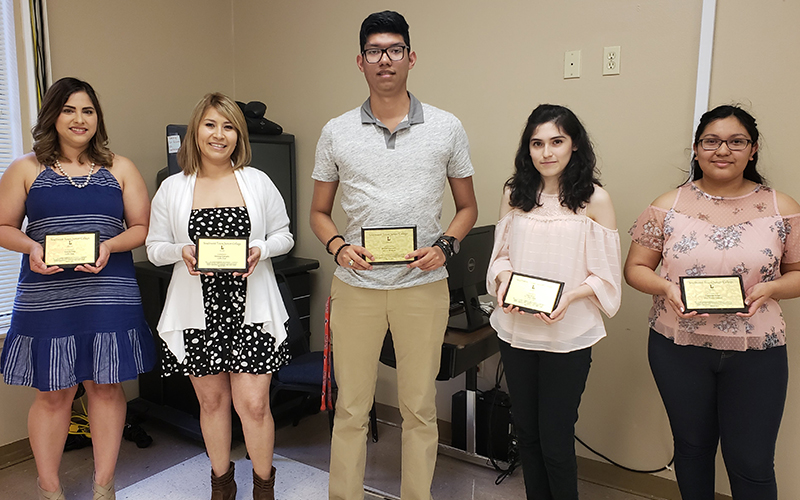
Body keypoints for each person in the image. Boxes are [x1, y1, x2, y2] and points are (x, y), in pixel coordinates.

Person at [310, 10, 478, 500]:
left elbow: (467, 207)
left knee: (420, 409)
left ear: (411, 57)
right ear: (360, 61)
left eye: (394, 50)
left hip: (421, 287)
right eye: (374, 51)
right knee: (351, 408)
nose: (385, 59)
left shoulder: (446, 127)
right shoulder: (336, 131)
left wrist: (444, 247)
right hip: (357, 288)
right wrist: (339, 247)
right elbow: (319, 213)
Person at [625, 105, 800, 499]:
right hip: (677, 347)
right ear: (696, 148)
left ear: (753, 149)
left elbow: (798, 274)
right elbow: (635, 268)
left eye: (736, 142)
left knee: (752, 462)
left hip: (757, 351)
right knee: (692, 449)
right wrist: (666, 289)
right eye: (711, 141)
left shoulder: (782, 208)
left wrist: (771, 289)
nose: (723, 150)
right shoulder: (666, 206)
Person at [0, 77, 155, 500]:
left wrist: (109, 246)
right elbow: (4, 226)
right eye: (69, 110)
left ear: (97, 118)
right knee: (53, 392)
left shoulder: (120, 168)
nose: (79, 119)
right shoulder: (25, 168)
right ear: (53, 115)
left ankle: (104, 485)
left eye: (88, 110)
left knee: (106, 386)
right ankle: (49, 487)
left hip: (109, 292)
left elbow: (141, 227)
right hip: (46, 296)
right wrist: (32, 247)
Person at [146, 93, 293, 500]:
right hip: (198, 311)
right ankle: (222, 485)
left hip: (251, 309)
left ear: (238, 135)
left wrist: (261, 248)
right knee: (212, 404)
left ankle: (264, 488)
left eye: (229, 127)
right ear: (196, 131)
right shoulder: (173, 188)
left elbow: (284, 235)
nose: (219, 134)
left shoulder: (257, 181)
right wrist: (181, 251)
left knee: (254, 405)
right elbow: (154, 247)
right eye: (210, 125)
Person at [486, 104, 621, 500]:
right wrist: (505, 282)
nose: (546, 152)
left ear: (574, 145)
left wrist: (570, 296)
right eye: (537, 143)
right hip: (517, 331)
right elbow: (500, 257)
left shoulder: (594, 199)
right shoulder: (515, 194)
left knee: (556, 439)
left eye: (556, 142)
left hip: (568, 334)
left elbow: (606, 275)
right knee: (527, 433)